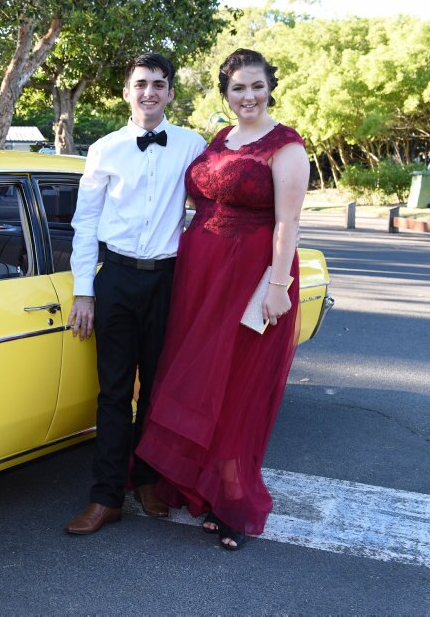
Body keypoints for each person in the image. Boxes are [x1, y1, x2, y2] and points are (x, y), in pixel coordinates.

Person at [134, 48, 310, 551]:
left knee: (234, 387)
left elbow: (288, 222)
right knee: (194, 379)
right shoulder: (221, 140)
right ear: (225, 94)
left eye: (256, 86)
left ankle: (232, 503)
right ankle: (195, 483)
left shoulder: (286, 146)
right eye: (238, 88)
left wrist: (279, 286)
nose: (248, 96)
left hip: (251, 274)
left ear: (270, 87)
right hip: (199, 273)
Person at [64, 53, 207, 535]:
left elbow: (212, 209)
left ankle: (146, 480)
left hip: (170, 280)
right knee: (114, 392)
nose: (149, 92)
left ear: (170, 93)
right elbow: (84, 224)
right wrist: (85, 293)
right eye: (141, 83)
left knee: (159, 391)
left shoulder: (192, 145)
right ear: (127, 92)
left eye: (159, 84)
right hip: (117, 280)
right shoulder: (104, 149)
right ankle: (106, 497)